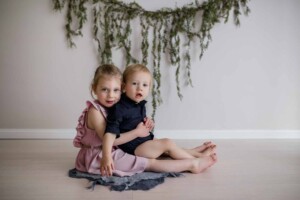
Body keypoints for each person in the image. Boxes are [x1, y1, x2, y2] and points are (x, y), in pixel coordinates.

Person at [101, 64, 217, 176]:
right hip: (134, 148)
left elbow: (133, 122)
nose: (140, 88)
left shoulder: (138, 104)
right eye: (134, 83)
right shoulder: (119, 108)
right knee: (167, 143)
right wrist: (106, 156)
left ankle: (196, 154)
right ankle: (194, 161)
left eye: (145, 85)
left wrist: (147, 122)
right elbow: (110, 134)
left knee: (167, 147)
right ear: (124, 86)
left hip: (142, 141)